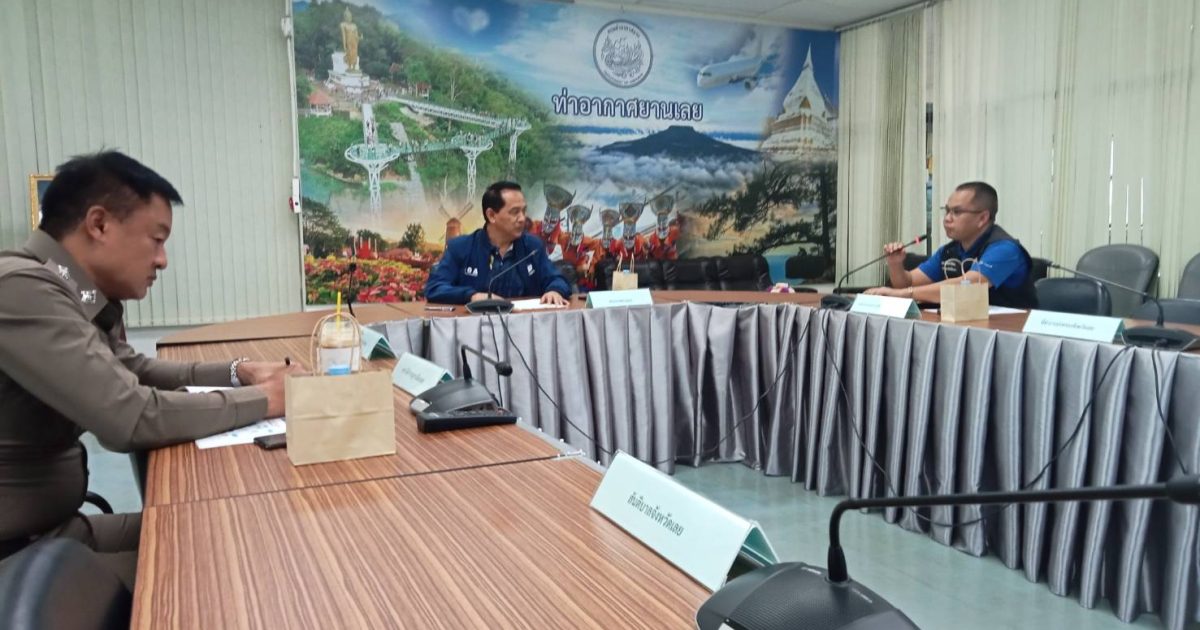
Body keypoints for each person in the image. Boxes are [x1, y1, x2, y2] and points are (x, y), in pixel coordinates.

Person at [0, 151, 301, 588]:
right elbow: (130, 416)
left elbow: (134, 369)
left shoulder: (68, 292)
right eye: (156, 240)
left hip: (55, 531)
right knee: (218, 574)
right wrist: (267, 399)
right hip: (17, 558)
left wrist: (241, 372)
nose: (162, 260)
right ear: (99, 224)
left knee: (229, 529)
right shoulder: (20, 290)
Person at [864, 181, 1037, 308]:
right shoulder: (950, 251)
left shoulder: (1005, 249)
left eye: (957, 212)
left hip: (1011, 333)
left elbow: (965, 287)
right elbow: (907, 283)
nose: (947, 219)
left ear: (983, 218)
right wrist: (895, 264)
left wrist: (901, 295)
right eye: (947, 211)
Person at [424, 181, 571, 305]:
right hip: (474, 326)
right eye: (515, 212)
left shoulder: (532, 246)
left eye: (523, 211)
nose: (522, 218)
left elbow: (557, 279)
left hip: (522, 324)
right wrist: (472, 296)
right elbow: (435, 288)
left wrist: (555, 290)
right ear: (491, 215)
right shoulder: (461, 247)